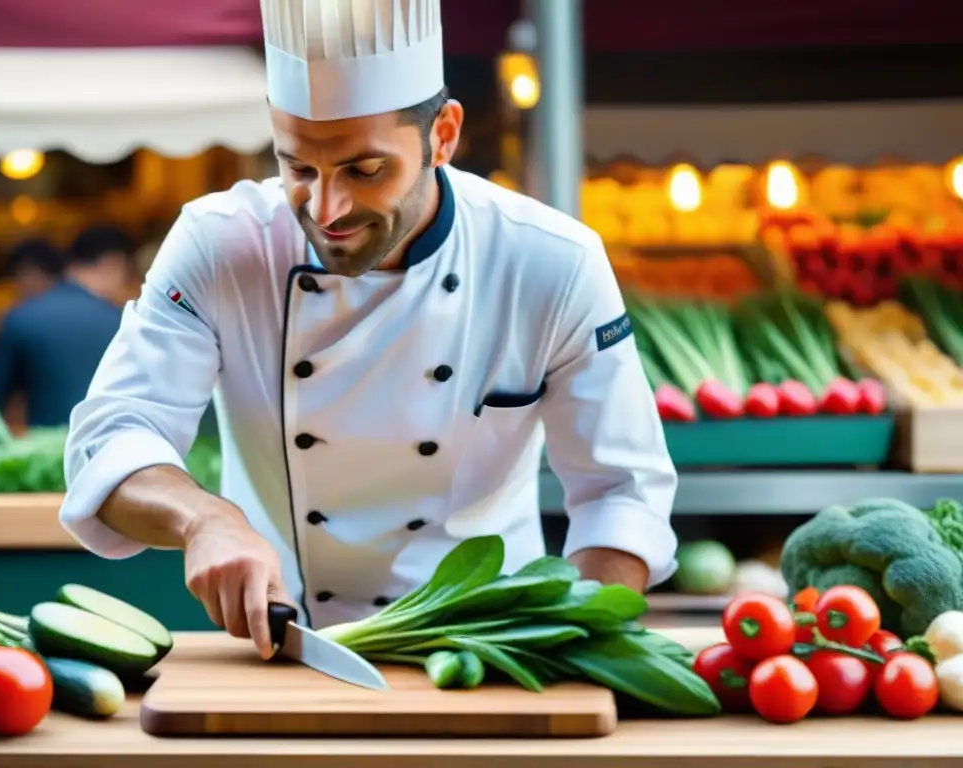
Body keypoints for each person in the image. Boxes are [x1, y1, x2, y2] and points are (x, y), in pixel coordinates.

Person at [59, 0, 679, 661]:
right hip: (284, 654)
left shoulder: (550, 261)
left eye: (365, 169)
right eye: (297, 167)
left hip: (489, 655)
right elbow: (114, 438)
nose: (326, 210)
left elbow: (621, 491)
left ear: (443, 134)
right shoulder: (218, 245)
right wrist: (205, 518)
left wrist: (569, 647)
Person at [0, 226, 133, 428]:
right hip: (111, 451)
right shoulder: (123, 322)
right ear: (112, 263)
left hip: (43, 452)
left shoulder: (22, 317)